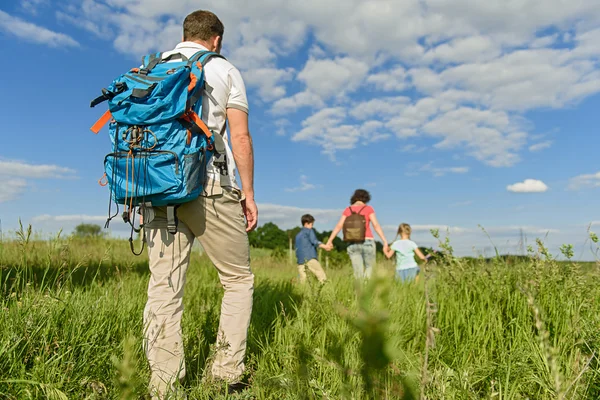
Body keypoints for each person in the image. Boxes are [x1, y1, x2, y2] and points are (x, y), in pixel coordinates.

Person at [140, 10, 257, 399]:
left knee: (164, 286)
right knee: (238, 280)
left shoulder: (154, 67)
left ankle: (164, 385)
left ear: (185, 34)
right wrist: (249, 194)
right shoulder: (225, 70)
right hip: (210, 186)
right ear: (216, 39)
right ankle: (224, 376)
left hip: (157, 188)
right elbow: (239, 138)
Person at [326, 189, 388, 279]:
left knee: (357, 272)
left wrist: (329, 241)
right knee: (370, 268)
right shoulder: (368, 209)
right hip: (367, 241)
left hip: (352, 242)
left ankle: (358, 292)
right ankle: (367, 291)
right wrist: (384, 241)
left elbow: (339, 225)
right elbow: (376, 225)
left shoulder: (348, 210)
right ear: (366, 198)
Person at [295, 214, 332, 284]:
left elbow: (296, 248)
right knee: (321, 275)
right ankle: (325, 290)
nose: (312, 226)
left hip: (300, 260)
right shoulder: (309, 231)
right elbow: (315, 242)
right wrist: (326, 246)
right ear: (306, 223)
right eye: (311, 224)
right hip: (310, 258)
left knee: (303, 280)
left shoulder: (298, 235)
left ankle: (302, 293)